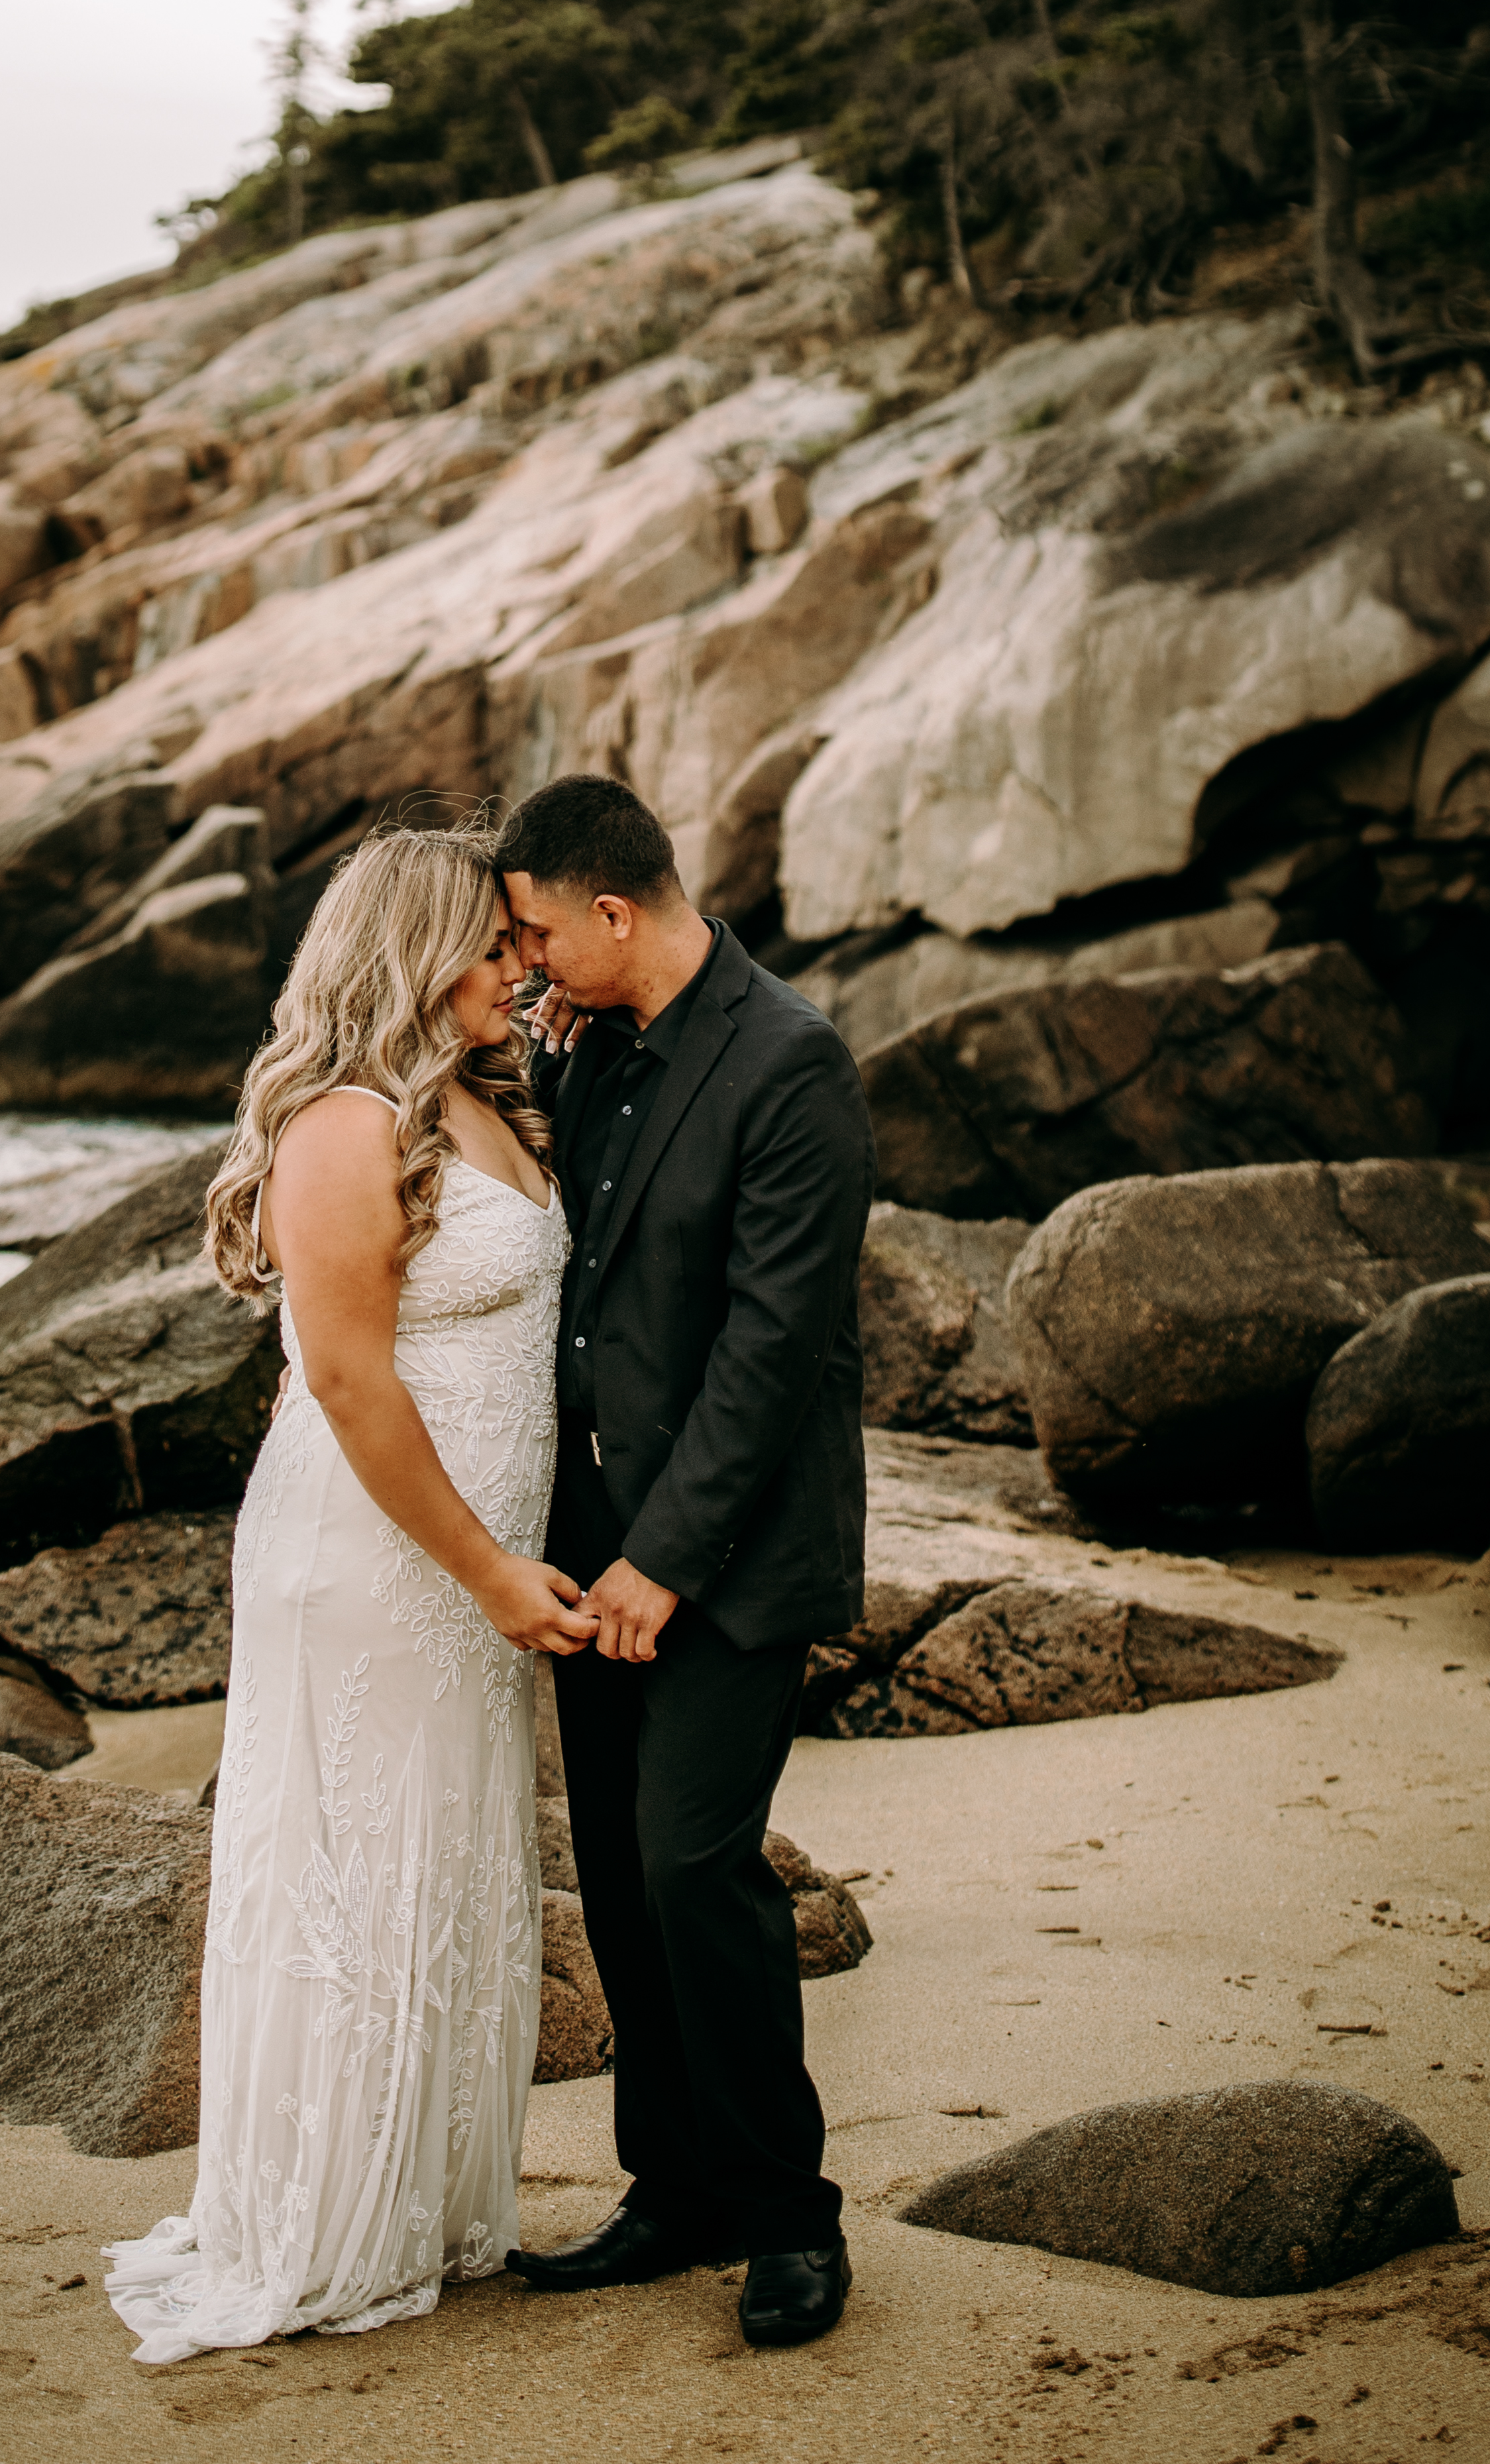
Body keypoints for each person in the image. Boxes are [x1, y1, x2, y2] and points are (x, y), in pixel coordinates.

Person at [105, 827, 590, 2367]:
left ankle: (429, 2203)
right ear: (416, 945)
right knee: (354, 1867)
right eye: (495, 942)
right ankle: (325, 2217)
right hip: (381, 1554)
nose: (521, 964)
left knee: (441, 1858)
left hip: (456, 1567)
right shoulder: (339, 1122)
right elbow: (343, 1376)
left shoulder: (473, 1100)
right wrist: (491, 1567)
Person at [496, 771, 873, 2351]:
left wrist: (662, 1558)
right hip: (592, 1552)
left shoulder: (790, 1060)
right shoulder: (582, 1048)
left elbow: (774, 1347)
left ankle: (789, 2216)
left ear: (612, 908)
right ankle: (674, 2190)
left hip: (730, 1552)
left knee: (690, 1863)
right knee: (625, 1890)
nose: (518, 962)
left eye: (532, 934)